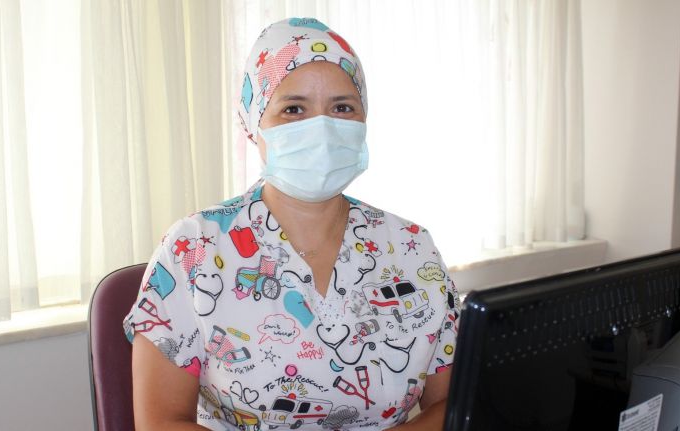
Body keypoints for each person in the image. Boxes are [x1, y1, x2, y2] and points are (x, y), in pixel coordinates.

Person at [125, 17, 461, 431]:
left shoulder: (412, 249)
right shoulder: (193, 250)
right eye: (294, 109)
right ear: (254, 123)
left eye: (342, 108)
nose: (321, 127)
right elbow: (160, 422)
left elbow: (453, 405)